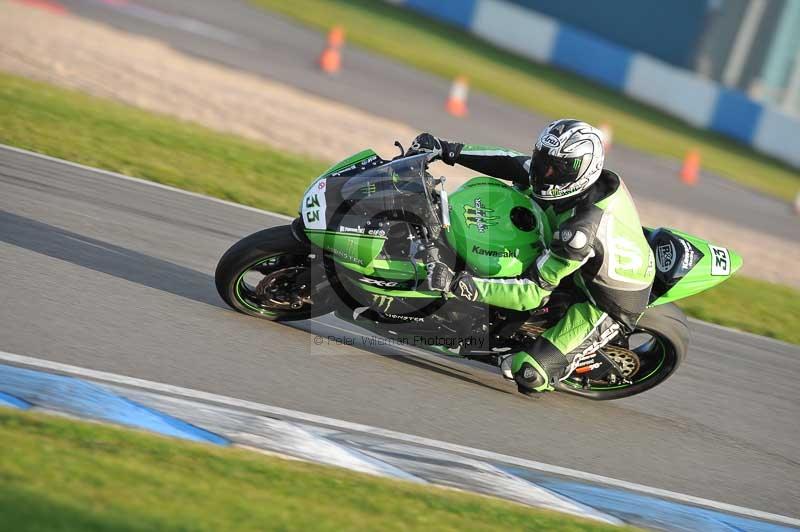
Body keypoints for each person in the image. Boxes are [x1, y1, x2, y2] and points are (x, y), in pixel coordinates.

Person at [409, 119, 655, 394]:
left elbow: (532, 292)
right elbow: (513, 162)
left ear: (583, 172)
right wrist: (445, 149)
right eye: (542, 161)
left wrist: (461, 285)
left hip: (605, 301)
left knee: (528, 373)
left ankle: (561, 362)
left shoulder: (578, 233)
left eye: (556, 169)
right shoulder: (564, 181)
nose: (544, 173)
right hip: (582, 250)